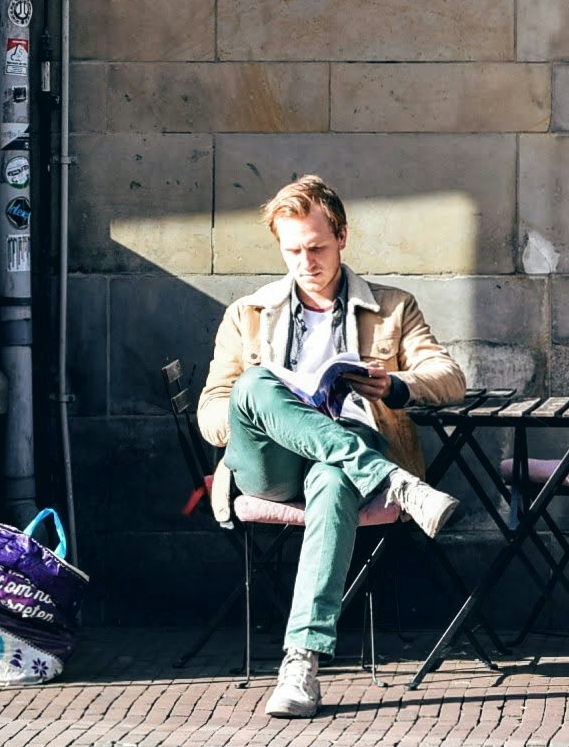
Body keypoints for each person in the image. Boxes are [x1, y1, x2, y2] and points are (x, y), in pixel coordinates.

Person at [198, 174, 467, 717]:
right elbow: (210, 412)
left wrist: (396, 386)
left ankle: (302, 664)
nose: (305, 261)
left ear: (342, 236)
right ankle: (395, 483)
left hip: (345, 459)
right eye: (292, 250)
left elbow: (449, 376)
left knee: (333, 472)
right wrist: (271, 412)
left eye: (316, 247)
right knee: (254, 385)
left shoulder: (392, 307)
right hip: (270, 463)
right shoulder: (248, 314)